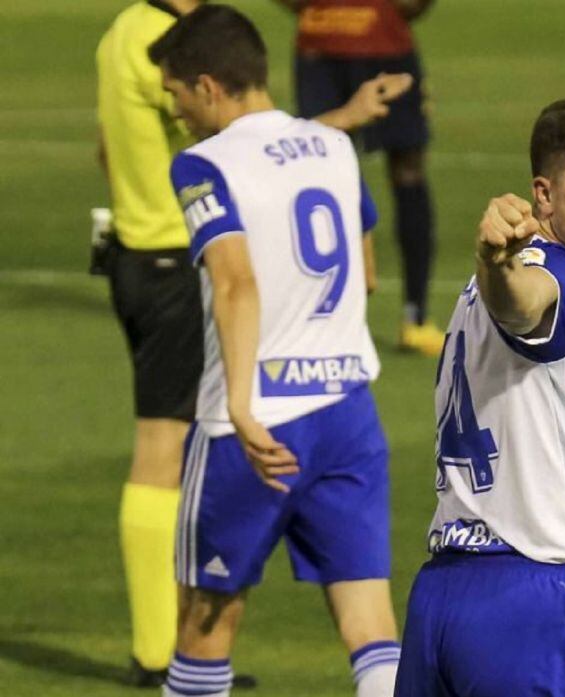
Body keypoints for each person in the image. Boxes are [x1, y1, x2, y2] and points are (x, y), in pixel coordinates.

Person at [96, 0, 410, 686]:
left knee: (206, 622)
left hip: (255, 428)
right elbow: (368, 273)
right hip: (348, 414)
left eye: (176, 95)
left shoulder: (203, 165)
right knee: (370, 626)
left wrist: (239, 404)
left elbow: (235, 283)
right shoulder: (331, 144)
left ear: (207, 85)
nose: (176, 113)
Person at [393, 92, 565, 696]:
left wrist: (494, 270)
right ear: (544, 194)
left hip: (443, 600)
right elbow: (522, 303)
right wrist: (497, 265)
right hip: (541, 604)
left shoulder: (476, 292)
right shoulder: (556, 275)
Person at [277, 0, 443, 356]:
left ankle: (319, 323)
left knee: (317, 169)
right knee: (401, 170)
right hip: (368, 45)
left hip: (327, 45)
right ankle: (415, 318)